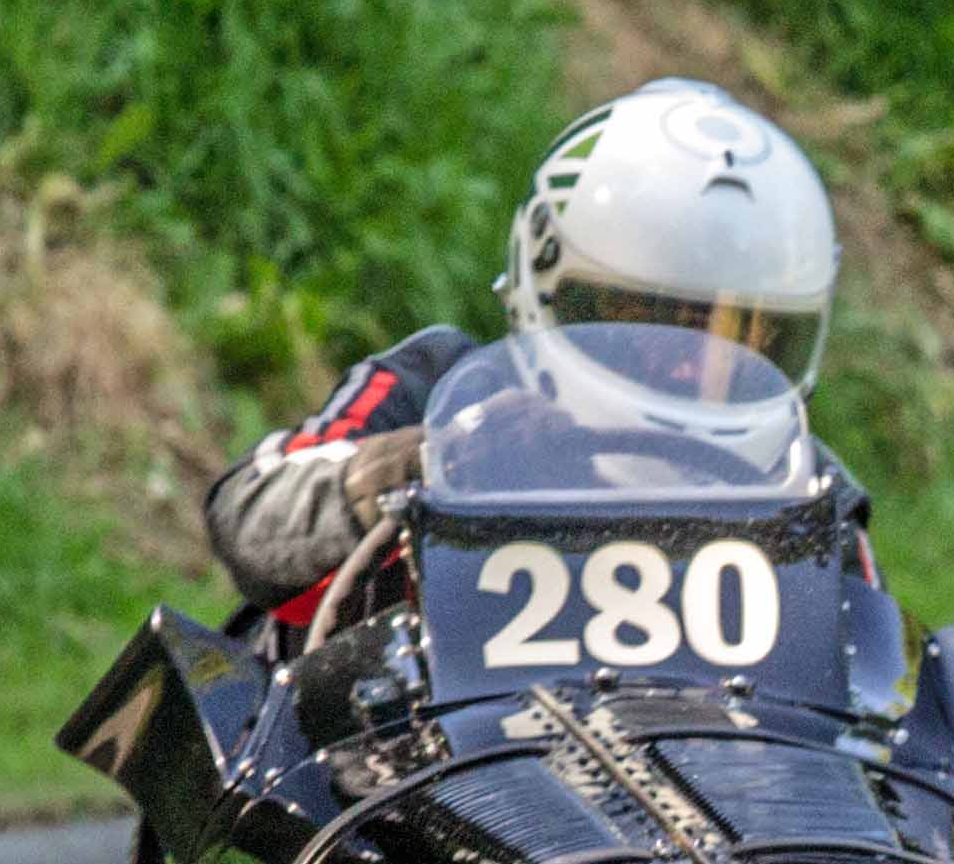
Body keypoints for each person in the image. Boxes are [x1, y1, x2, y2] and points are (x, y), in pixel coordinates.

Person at [201, 77, 841, 631]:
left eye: (745, 339)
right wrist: (414, 468)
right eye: (658, 327)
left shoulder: (803, 483)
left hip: (700, 764)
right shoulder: (436, 386)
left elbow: (869, 672)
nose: (693, 368)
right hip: (415, 755)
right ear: (558, 288)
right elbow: (248, 513)